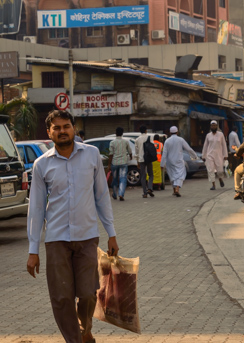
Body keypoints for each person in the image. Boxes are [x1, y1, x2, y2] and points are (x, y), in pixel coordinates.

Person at [26, 110, 119, 343]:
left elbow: (101, 197)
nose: (62, 131)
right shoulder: (41, 165)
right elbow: (36, 209)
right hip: (56, 239)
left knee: (88, 294)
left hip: (87, 237)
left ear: (73, 129)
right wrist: (33, 250)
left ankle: (85, 328)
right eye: (56, 128)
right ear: (49, 133)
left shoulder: (92, 155)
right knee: (62, 297)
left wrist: (112, 234)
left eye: (66, 126)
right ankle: (75, 340)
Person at [161, 126, 198, 197]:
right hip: (179, 160)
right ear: (177, 132)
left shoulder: (167, 141)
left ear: (170, 132)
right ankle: (177, 189)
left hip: (170, 161)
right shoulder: (180, 140)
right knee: (180, 175)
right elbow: (188, 149)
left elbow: (164, 153)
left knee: (172, 175)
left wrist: (162, 164)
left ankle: (174, 190)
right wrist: (194, 156)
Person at [202, 120, 228, 190]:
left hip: (219, 155)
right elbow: (205, 146)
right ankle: (213, 184)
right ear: (210, 127)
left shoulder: (221, 134)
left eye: (214, 125)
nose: (213, 126)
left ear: (217, 126)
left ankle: (220, 179)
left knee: (220, 170)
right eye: (212, 125)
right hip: (209, 155)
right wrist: (203, 156)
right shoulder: (208, 135)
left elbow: (224, 145)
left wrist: (225, 155)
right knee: (210, 170)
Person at [108, 127, 132, 201]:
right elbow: (130, 151)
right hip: (123, 163)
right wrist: (130, 156)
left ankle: (115, 194)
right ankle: (121, 194)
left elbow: (111, 154)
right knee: (123, 179)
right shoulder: (126, 142)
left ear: (116, 133)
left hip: (114, 163)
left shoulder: (112, 142)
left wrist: (109, 164)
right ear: (122, 133)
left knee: (115, 179)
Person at [135, 125, 154, 198]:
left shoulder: (137, 139)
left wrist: (137, 162)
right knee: (151, 174)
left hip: (141, 159)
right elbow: (152, 148)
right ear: (146, 130)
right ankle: (149, 188)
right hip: (149, 159)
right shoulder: (150, 137)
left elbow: (136, 152)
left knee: (143, 176)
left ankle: (145, 192)